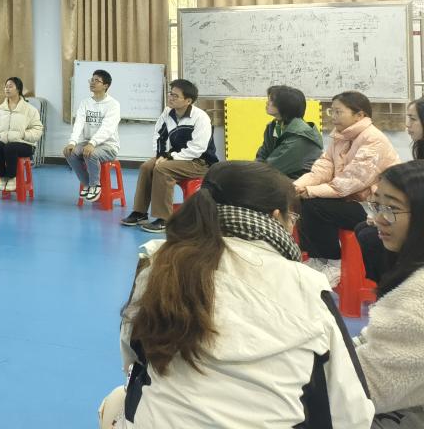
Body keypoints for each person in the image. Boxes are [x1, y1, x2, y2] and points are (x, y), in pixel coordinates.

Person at [111, 160, 374, 429]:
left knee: (116, 403)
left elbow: (132, 354)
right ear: (276, 217)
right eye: (292, 218)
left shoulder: (159, 263)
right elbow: (352, 411)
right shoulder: (308, 285)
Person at [295, 91, 400, 288]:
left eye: (338, 112)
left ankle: (333, 263)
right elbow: (323, 167)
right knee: (303, 201)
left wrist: (311, 190)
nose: (333, 117)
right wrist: (299, 185)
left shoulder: (373, 139)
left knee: (315, 205)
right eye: (331, 111)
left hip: (375, 208)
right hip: (351, 200)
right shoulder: (340, 136)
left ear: (359, 115)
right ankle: (318, 259)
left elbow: (351, 181)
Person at [354, 160, 424, 428]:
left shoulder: (415, 301)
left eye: (391, 209)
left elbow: (367, 389)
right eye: (377, 206)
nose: (377, 219)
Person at [120, 79, 218, 234]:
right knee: (147, 167)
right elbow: (159, 136)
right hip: (177, 158)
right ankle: (140, 213)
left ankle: (164, 219)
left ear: (188, 101)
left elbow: (197, 149)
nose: (170, 98)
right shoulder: (168, 113)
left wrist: (169, 158)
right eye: (170, 94)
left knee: (162, 169)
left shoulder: (201, 117)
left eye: (175, 96)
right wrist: (160, 155)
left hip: (200, 162)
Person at [358, 97, 424, 283]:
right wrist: (382, 211)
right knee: (365, 229)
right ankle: (386, 285)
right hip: (412, 210)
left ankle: (393, 284)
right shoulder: (419, 148)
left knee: (372, 237)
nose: (407, 125)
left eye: (413, 119)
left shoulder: (371, 138)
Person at [63, 70, 120, 201]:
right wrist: (72, 142)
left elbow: (107, 128)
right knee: (69, 153)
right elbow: (79, 123)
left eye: (97, 81)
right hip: (88, 142)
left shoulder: (113, 104)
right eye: (92, 80)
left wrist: (92, 143)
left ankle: (95, 185)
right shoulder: (85, 103)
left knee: (91, 153)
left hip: (109, 146)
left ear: (105, 85)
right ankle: (87, 184)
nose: (92, 83)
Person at [254, 85, 324, 179]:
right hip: (281, 176)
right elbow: (263, 154)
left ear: (285, 106)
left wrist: (251, 173)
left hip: (302, 180)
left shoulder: (300, 136)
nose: (267, 102)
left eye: (271, 100)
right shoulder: (275, 126)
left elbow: (273, 168)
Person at [0, 77, 43, 194]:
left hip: (25, 144)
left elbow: (38, 129)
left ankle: (12, 178)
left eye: (10, 86)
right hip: (5, 142)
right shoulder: (0, 109)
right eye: (6, 86)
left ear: (18, 89)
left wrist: (23, 135)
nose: (7, 89)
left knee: (10, 148)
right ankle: (2, 177)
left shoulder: (29, 109)